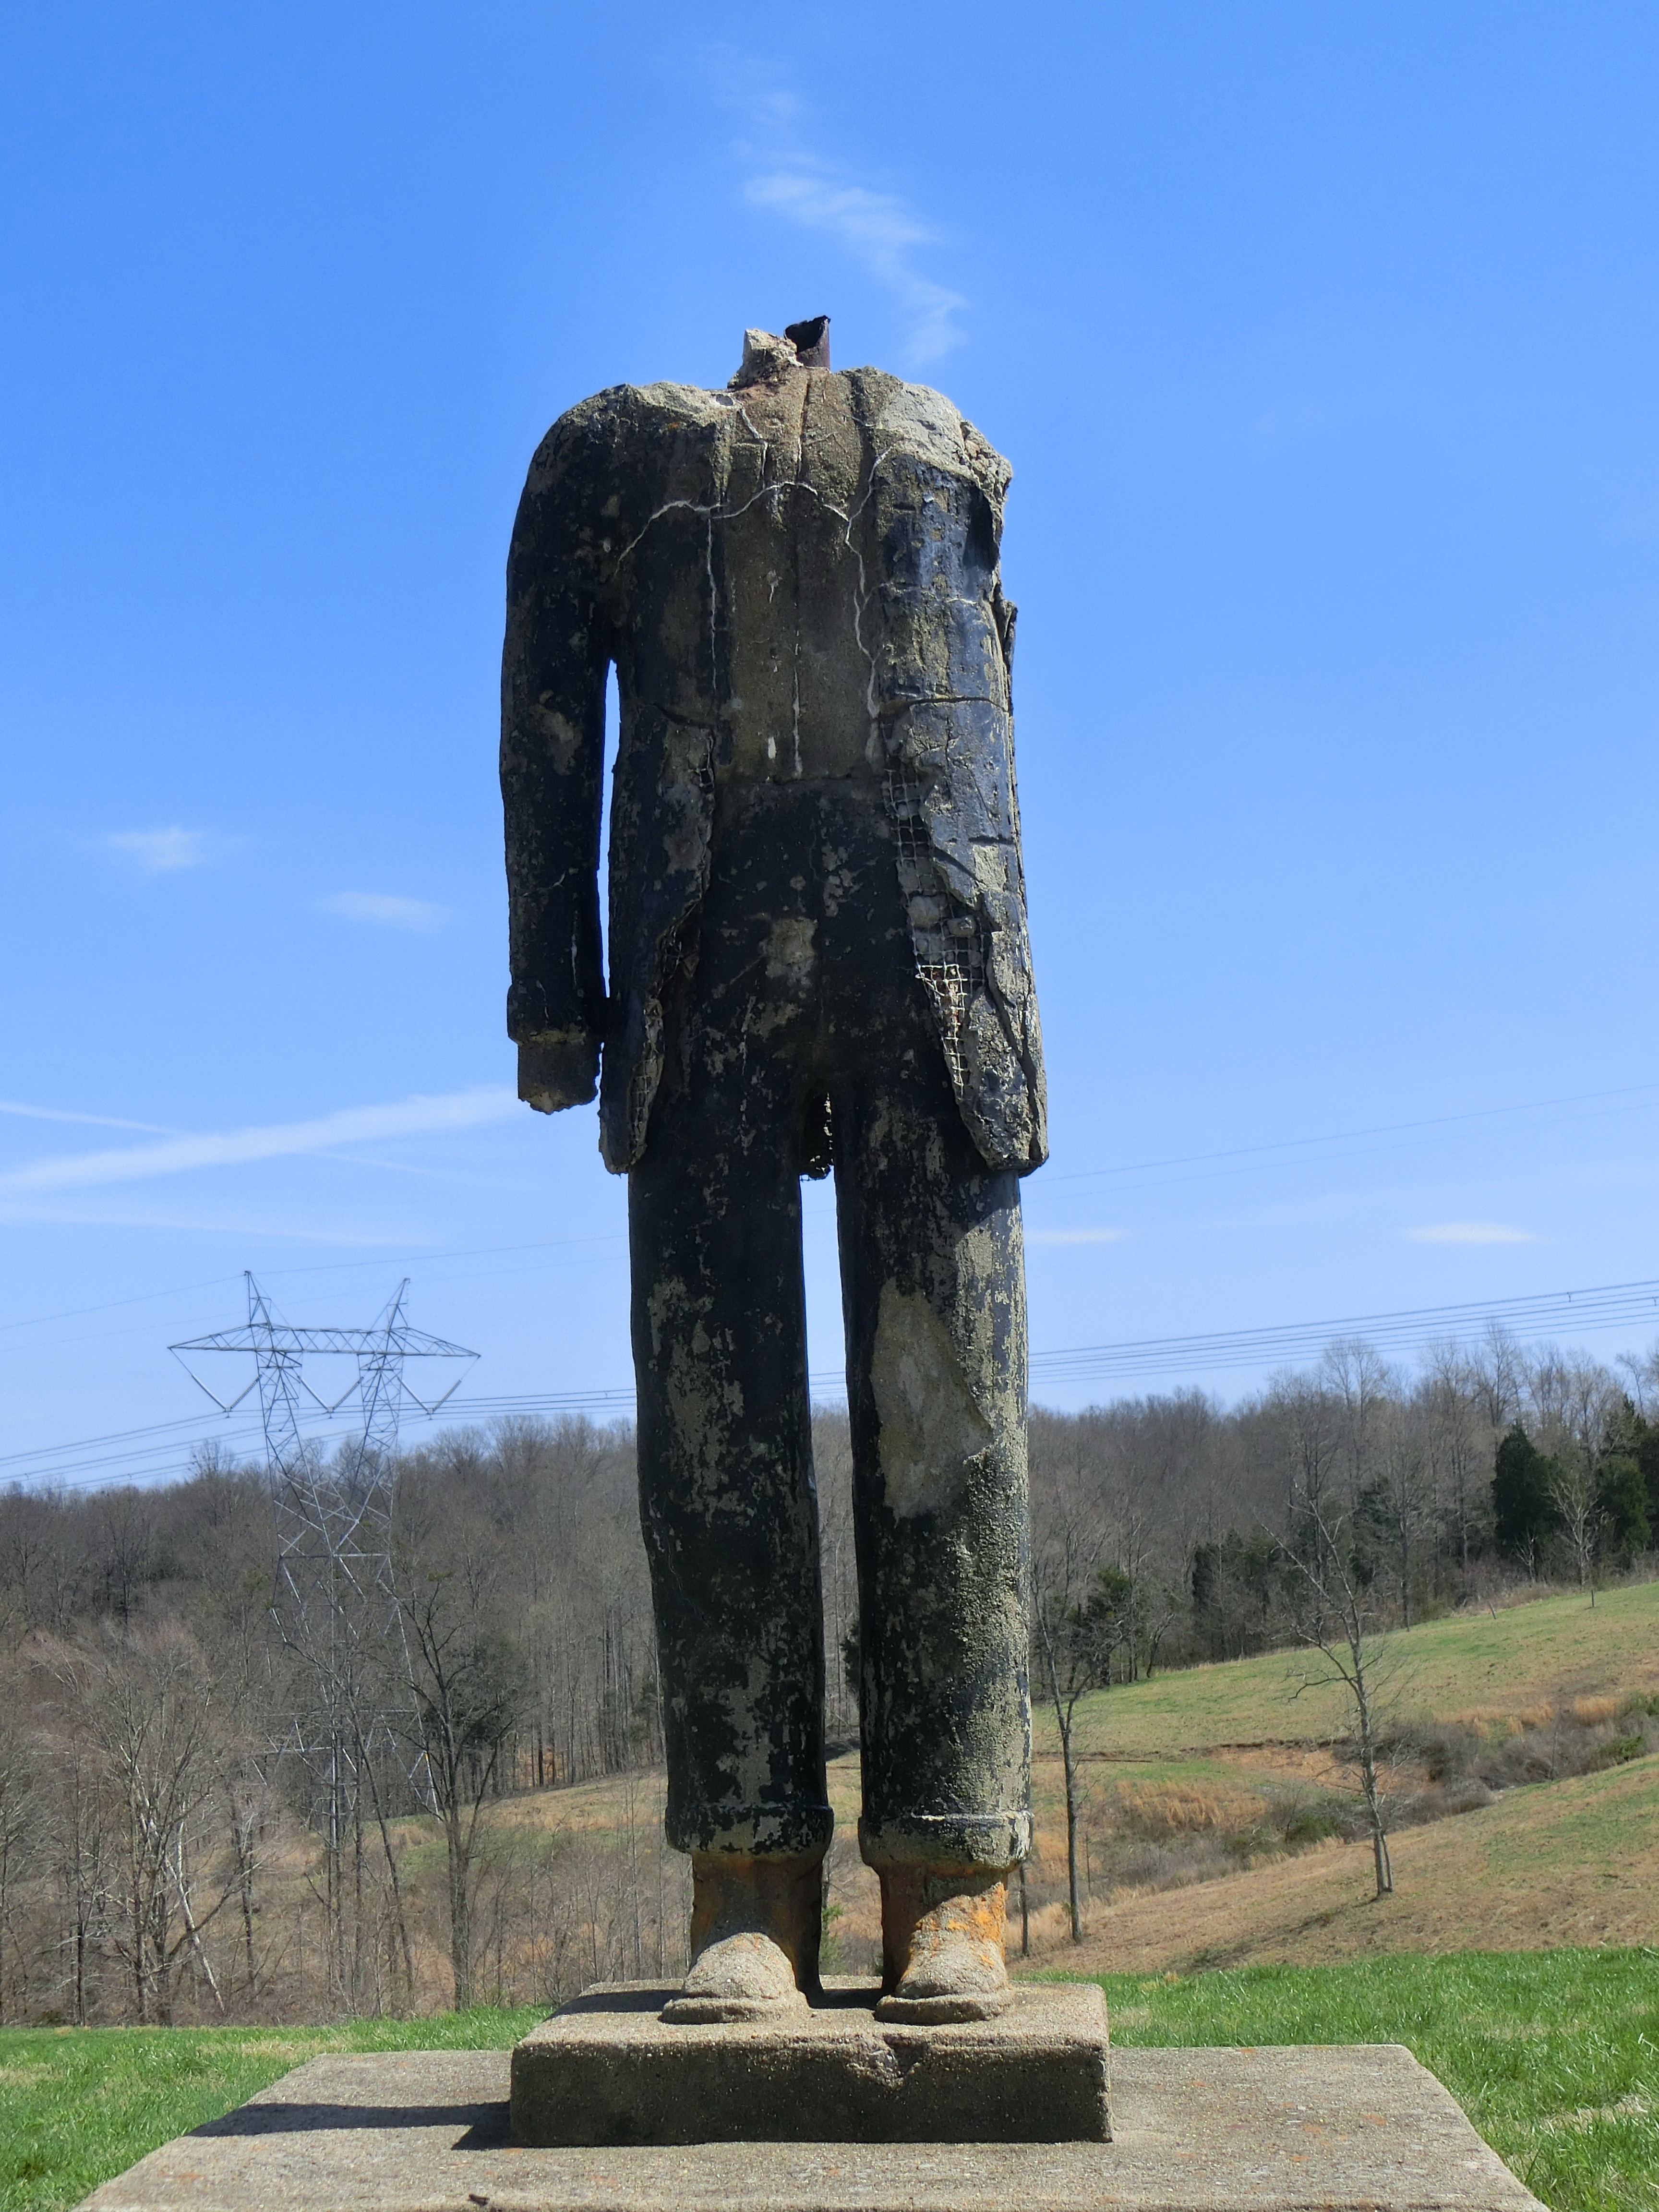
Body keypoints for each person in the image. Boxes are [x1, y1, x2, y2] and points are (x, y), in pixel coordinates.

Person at [502, 318, 1047, 2020]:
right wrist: (555, 1001)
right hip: (699, 958)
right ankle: (746, 1880)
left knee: (953, 1422)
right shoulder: (612, 450)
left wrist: (1011, 994)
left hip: (938, 955)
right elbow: (544, 721)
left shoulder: (941, 440)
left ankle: (952, 1879)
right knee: (715, 1428)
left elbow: (994, 705)